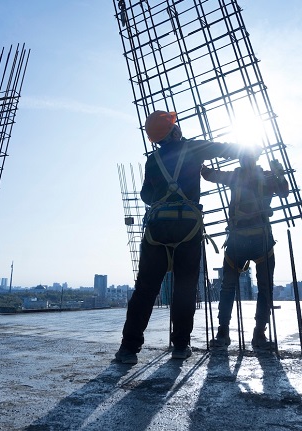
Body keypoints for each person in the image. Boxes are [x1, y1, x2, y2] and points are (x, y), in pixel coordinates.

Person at [115, 111, 240, 364]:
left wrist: (165, 195)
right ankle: (181, 346)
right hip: (187, 228)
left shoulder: (153, 161)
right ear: (173, 131)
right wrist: (246, 151)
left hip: (157, 230)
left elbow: (146, 196)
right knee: (184, 288)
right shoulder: (192, 148)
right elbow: (223, 149)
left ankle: (128, 349)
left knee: (145, 289)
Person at [201, 145, 289, 350]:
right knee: (257, 288)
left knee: (229, 288)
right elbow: (284, 192)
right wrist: (279, 173)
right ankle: (256, 334)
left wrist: (199, 159)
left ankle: (230, 332)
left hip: (246, 240)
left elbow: (208, 175)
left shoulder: (238, 176)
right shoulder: (264, 177)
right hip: (254, 239)